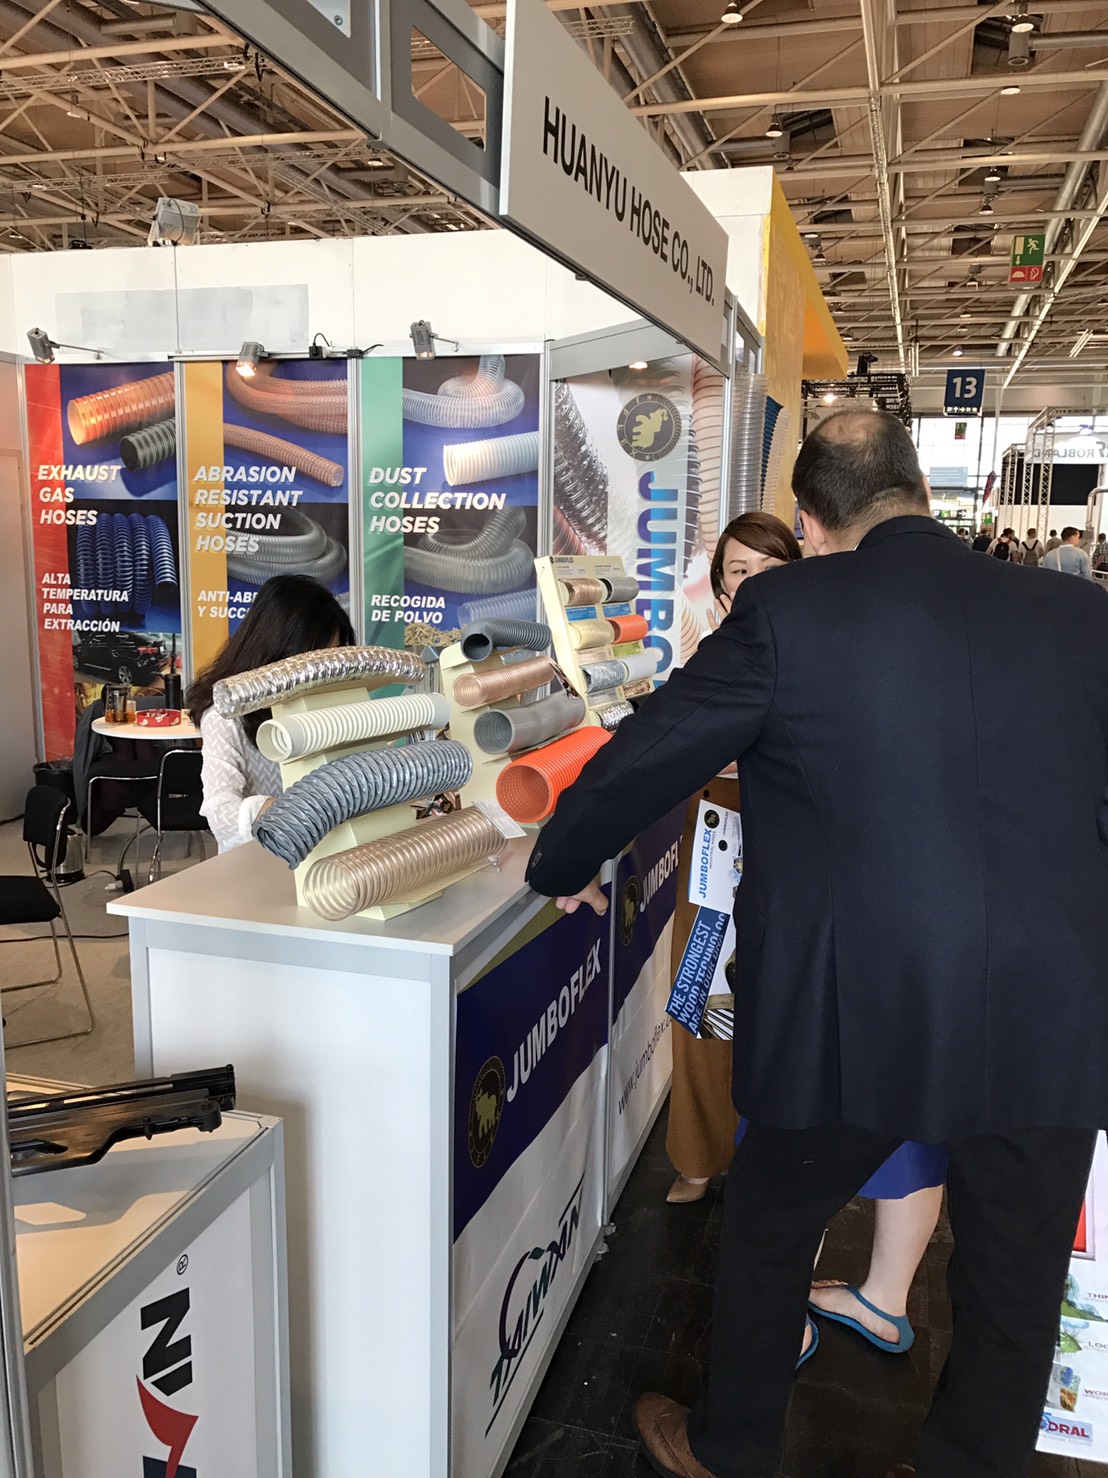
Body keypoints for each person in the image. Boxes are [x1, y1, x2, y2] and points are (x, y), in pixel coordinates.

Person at [526, 409, 1108, 1478]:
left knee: (771, 1217)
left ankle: (730, 1445)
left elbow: (655, 748)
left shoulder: (787, 611)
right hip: (1052, 1008)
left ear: (809, 520)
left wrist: (560, 860)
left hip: (858, 1008)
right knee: (1016, 1276)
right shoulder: (1081, 613)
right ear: (919, 487)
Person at [667, 512, 801, 1205]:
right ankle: (698, 1153)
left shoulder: (821, 653)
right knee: (702, 991)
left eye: (770, 570)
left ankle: (779, 1159)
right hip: (716, 834)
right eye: (739, 571)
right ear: (720, 588)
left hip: (795, 844)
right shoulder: (709, 660)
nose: (754, 584)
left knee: (788, 1001)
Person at [187, 575, 355, 852]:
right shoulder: (226, 718)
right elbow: (220, 813)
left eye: (331, 658)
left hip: (329, 856)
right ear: (277, 651)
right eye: (313, 660)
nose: (323, 673)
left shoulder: (325, 707)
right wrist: (286, 811)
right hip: (257, 861)